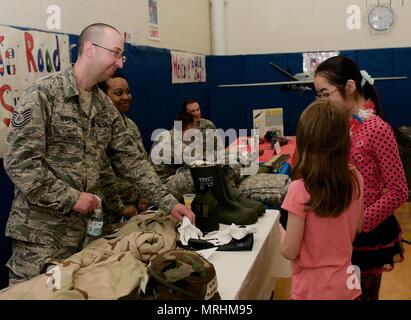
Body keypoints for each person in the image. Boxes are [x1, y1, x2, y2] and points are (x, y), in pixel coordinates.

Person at [4, 23, 194, 285]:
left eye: (122, 55)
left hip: (86, 237)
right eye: (115, 53)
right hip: (41, 238)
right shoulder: (43, 95)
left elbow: (132, 161)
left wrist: (170, 204)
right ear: (90, 49)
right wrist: (70, 198)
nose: (120, 62)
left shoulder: (103, 106)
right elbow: (20, 163)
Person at [314, 55, 408, 300]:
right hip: (339, 231)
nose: (322, 101)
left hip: (366, 235)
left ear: (350, 86)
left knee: (363, 296)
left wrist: (361, 223)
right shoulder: (340, 125)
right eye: (318, 95)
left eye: (326, 94)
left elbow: (399, 190)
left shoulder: (377, 129)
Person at [279, 99, 364, 300]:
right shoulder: (356, 178)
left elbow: (290, 251)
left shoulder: (299, 189)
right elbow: (358, 227)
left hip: (311, 291)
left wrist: (277, 228)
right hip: (348, 287)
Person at [100, 73, 149, 213]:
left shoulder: (130, 125)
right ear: (103, 96)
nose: (126, 97)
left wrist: (143, 195)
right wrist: (120, 209)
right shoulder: (98, 129)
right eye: (118, 93)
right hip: (111, 211)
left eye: (128, 92)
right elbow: (102, 175)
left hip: (136, 204)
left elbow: (141, 162)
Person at [150, 111, 197, 200]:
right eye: (194, 126)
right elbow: (197, 162)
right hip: (161, 186)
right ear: (189, 126)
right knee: (195, 175)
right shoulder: (176, 143)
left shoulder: (165, 135)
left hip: (154, 181)